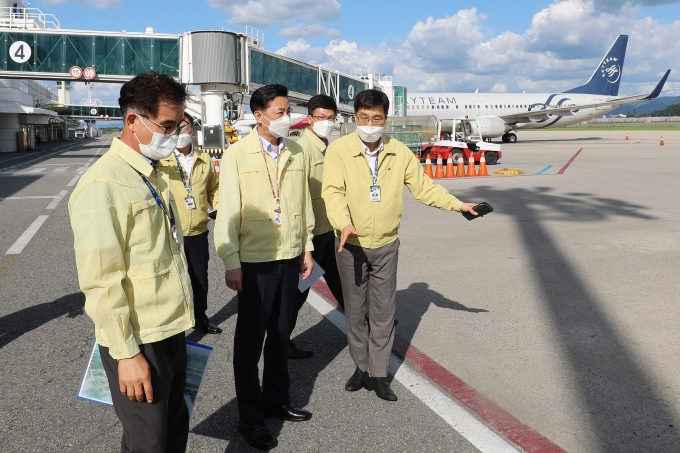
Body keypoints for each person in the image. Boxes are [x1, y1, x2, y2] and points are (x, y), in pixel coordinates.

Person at [322, 89, 479, 402]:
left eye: (376, 118)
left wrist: (458, 205)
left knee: (383, 312)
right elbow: (333, 192)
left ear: (385, 119)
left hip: (386, 245)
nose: (370, 124)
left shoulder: (400, 152)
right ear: (355, 118)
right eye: (364, 118)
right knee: (355, 312)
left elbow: (424, 189)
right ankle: (360, 366)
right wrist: (343, 223)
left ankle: (378, 374)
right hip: (350, 245)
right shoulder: (339, 150)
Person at [68, 71, 194, 452]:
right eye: (167, 126)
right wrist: (127, 354)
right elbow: (101, 281)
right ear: (132, 121)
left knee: (172, 430)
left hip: (169, 327)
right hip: (139, 339)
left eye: (177, 126)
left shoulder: (149, 173)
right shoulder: (103, 185)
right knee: (148, 440)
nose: (173, 136)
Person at [214, 84, 315, 450]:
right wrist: (231, 261)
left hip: (289, 257)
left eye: (288, 111)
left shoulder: (296, 151)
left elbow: (303, 204)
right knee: (250, 343)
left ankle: (276, 400)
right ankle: (250, 418)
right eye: (279, 112)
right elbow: (227, 211)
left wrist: (306, 248)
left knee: (281, 335)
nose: (287, 118)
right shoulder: (237, 154)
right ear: (258, 116)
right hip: (254, 263)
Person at [288, 94, 345, 359]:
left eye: (331, 118)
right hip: (313, 238)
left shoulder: (327, 147)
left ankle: (367, 326)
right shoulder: (302, 150)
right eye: (321, 118)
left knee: (345, 284)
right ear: (310, 119)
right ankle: (281, 342)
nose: (327, 122)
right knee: (298, 294)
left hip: (329, 231)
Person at [160, 112, 222, 335]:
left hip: (197, 229)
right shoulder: (161, 159)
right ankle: (173, 324)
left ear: (192, 130)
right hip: (169, 231)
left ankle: (200, 318)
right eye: (174, 127)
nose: (179, 132)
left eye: (183, 127)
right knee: (171, 278)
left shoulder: (204, 159)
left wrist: (218, 207)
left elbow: (213, 188)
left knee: (199, 278)